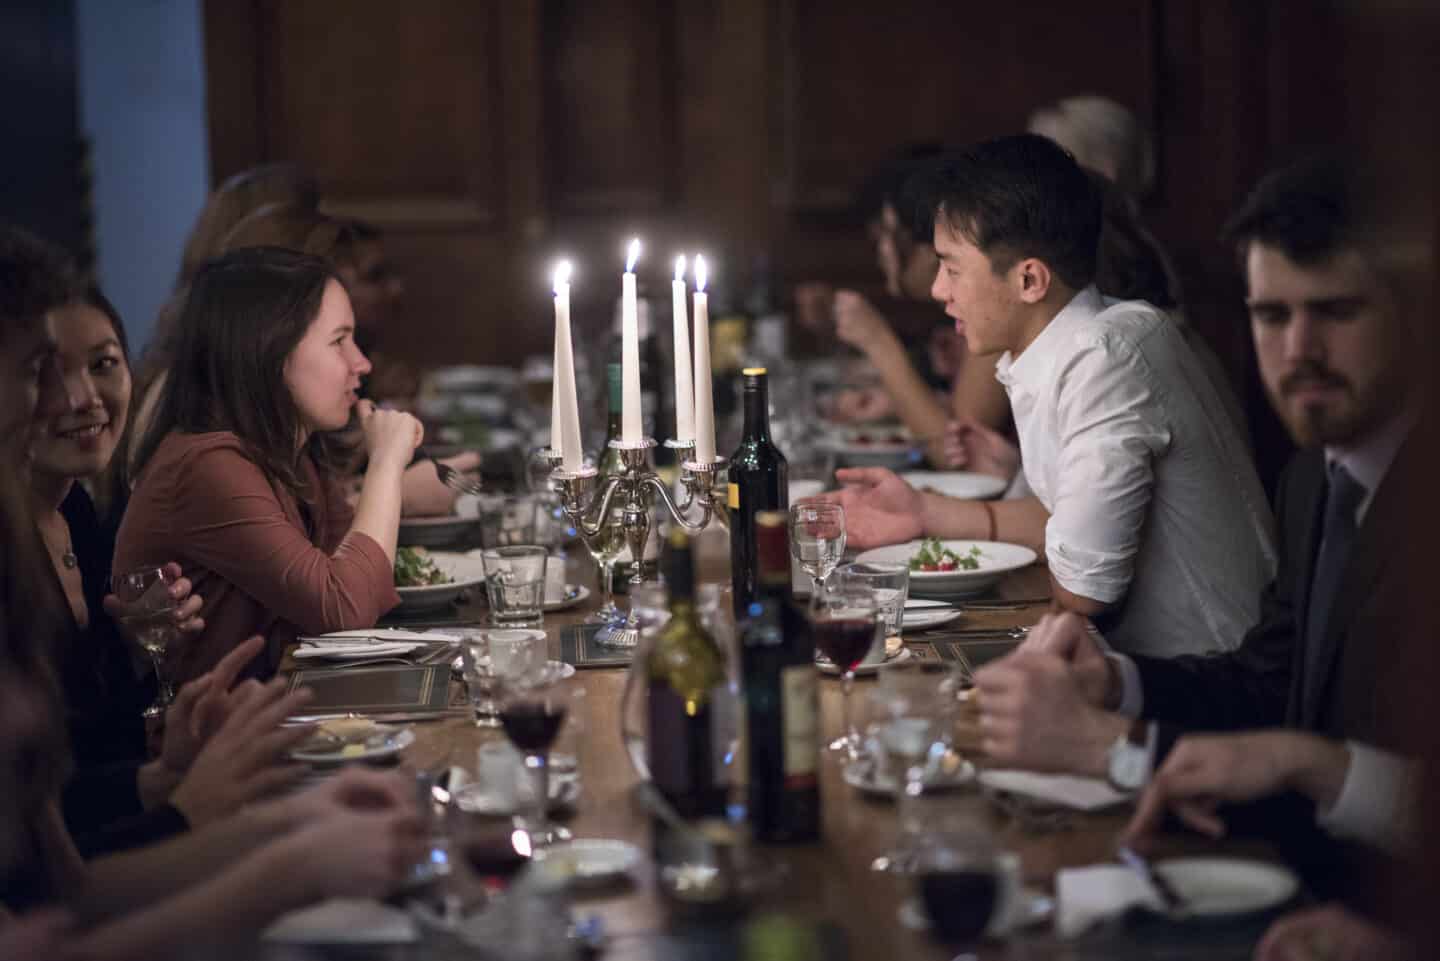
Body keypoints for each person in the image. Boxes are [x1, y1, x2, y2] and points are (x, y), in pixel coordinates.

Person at [973, 157, 1422, 901]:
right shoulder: (1315, 477)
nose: (1298, 351)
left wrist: (1114, 749)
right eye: (1272, 316)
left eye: (1338, 312)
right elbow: (1267, 683)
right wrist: (1117, 681)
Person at [821, 135, 1275, 658]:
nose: (938, 291)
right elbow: (1058, 520)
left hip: (1207, 685)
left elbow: (1082, 590)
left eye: (952, 268)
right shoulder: (1074, 342)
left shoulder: (1102, 358)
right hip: (1148, 669)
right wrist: (923, 511)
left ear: (1030, 279)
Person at [115, 246, 423, 683]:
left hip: (272, 712)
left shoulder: (288, 447)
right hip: (206, 737)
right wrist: (386, 466)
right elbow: (346, 607)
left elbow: (357, 571)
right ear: (271, 353)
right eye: (339, 341)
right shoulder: (210, 464)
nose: (362, 363)